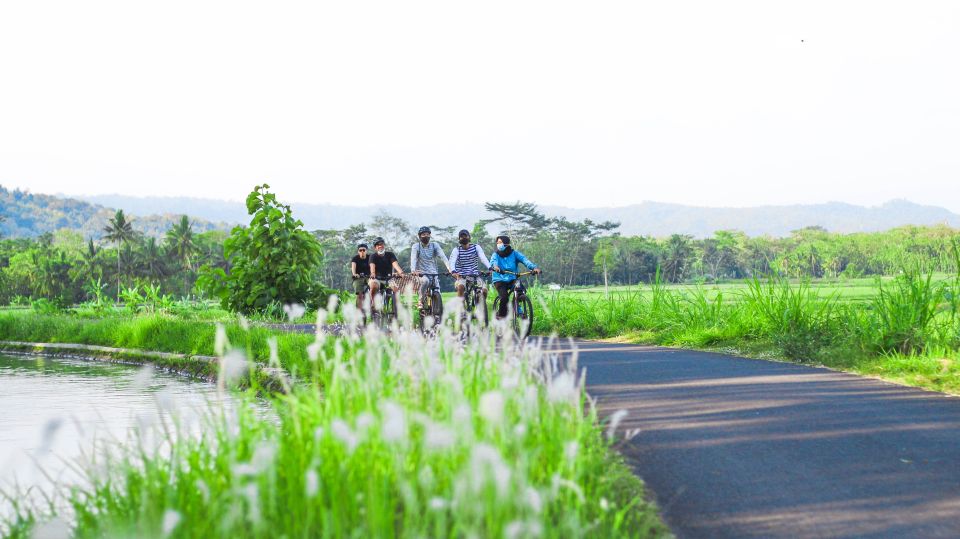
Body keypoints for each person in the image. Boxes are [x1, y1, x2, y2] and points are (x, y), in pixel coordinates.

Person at [489, 235, 541, 319]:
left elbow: (525, 260)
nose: (498, 244)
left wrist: (534, 268)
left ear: (506, 244)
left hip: (512, 278)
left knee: (520, 288)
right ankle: (501, 315)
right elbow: (493, 262)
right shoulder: (495, 255)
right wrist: (495, 267)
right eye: (497, 243)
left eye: (500, 242)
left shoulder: (515, 254)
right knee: (504, 296)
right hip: (499, 279)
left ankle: (515, 306)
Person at [409, 226, 452, 309]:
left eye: (428, 234)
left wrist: (449, 269)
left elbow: (443, 257)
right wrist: (413, 270)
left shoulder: (434, 245)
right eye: (423, 234)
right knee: (425, 281)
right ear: (419, 236)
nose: (426, 236)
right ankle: (420, 301)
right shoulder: (416, 246)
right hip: (421, 273)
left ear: (430, 235)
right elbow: (413, 259)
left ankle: (438, 314)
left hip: (433, 272)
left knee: (437, 292)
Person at [449, 229, 491, 300]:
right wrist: (453, 271)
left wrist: (490, 268)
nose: (464, 238)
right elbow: (452, 262)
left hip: (474, 276)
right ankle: (461, 309)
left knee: (484, 291)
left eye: (466, 236)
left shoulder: (476, 247)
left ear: (469, 237)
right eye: (462, 237)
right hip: (461, 276)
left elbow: (483, 258)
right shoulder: (456, 250)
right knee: (460, 287)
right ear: (459, 239)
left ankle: (481, 307)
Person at [368, 237, 404, 314]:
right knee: (373, 286)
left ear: (384, 245)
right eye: (378, 245)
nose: (380, 246)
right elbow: (372, 267)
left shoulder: (390, 254)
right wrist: (373, 274)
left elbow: (395, 265)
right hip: (376, 278)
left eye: (381, 244)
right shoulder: (373, 256)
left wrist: (401, 272)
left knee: (396, 289)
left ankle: (395, 309)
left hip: (389, 279)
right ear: (375, 248)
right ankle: (373, 303)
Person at [350, 243, 371, 311]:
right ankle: (359, 312)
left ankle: (374, 306)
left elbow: (374, 266)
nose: (362, 252)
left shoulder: (370, 257)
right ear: (358, 251)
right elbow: (353, 267)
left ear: (366, 251)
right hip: (358, 278)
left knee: (375, 286)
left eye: (364, 250)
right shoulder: (355, 258)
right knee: (360, 294)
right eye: (360, 250)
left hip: (369, 277)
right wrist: (354, 274)